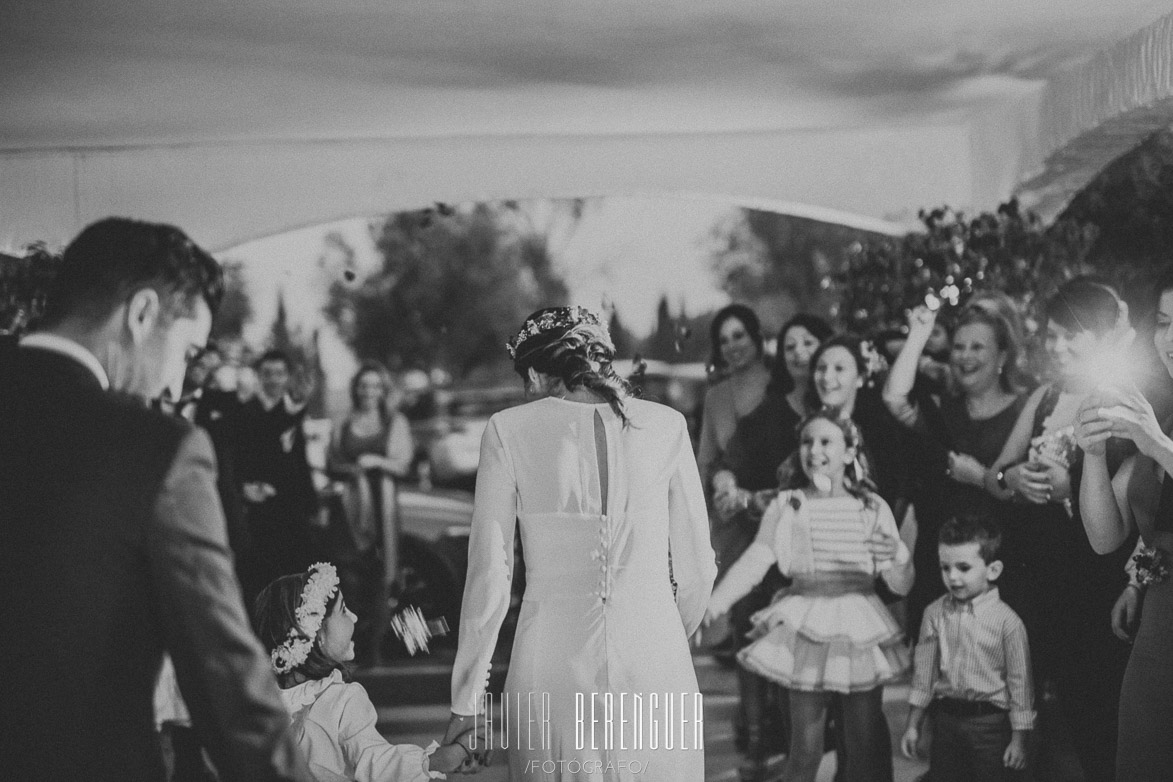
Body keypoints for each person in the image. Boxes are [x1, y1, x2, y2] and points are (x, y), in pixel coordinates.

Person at [0, 217, 309, 781]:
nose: (175, 386)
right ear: (141, 315)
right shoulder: (156, 450)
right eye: (187, 351)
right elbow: (224, 678)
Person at [444, 306, 717, 781]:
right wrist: (667, 632)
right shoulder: (668, 425)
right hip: (655, 654)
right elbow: (698, 568)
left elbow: (490, 573)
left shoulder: (508, 431)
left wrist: (467, 701)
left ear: (534, 372)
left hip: (550, 660)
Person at [705, 411, 913, 782]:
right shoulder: (788, 505)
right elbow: (757, 559)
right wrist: (715, 603)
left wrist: (897, 555)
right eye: (807, 441)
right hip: (805, 626)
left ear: (850, 452)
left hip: (858, 627)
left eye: (826, 441)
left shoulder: (871, 507)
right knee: (804, 751)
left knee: (863, 748)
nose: (814, 449)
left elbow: (900, 584)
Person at [984, 277, 1136, 782]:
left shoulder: (1122, 399)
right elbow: (996, 474)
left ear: (1101, 337)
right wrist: (1016, 479)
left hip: (1095, 577)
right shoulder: (1044, 398)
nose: (1058, 346)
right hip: (1037, 573)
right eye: (1051, 335)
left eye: (1073, 335)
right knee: (1031, 704)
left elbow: (1131, 503)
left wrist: (1068, 488)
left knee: (1093, 708)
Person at [706, 314, 833, 780]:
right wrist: (730, 487)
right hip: (772, 539)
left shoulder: (838, 399)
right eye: (793, 344)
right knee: (773, 645)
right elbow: (726, 461)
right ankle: (768, 743)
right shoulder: (771, 409)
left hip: (835, 554)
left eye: (809, 344)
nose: (801, 353)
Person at [1074, 265, 1173, 781]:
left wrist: (1155, 441)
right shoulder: (1164, 412)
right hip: (1161, 631)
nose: (1170, 339)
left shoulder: (1159, 429)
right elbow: (1104, 536)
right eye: (1163, 321)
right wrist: (1093, 454)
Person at [883, 296, 1028, 634]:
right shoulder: (942, 408)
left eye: (977, 347)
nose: (965, 356)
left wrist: (980, 478)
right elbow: (894, 399)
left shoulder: (1025, 409)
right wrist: (918, 336)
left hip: (1006, 564)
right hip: (943, 566)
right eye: (959, 347)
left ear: (1003, 356)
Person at [255, 562, 470, 781]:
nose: (354, 617)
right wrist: (435, 761)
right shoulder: (341, 700)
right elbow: (375, 761)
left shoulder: (256, 701)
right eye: (343, 611)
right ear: (316, 634)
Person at [900, 515, 1034, 782]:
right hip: (946, 720)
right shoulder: (933, 614)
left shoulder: (1007, 622)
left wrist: (1019, 739)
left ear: (992, 570)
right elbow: (924, 676)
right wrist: (913, 725)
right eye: (945, 567)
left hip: (991, 726)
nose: (952, 577)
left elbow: (1021, 684)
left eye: (963, 567)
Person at [327, 361, 415, 664]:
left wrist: (375, 462)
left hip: (382, 507)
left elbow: (403, 464)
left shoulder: (395, 422)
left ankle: (374, 651)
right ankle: (348, 650)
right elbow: (331, 463)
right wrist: (352, 470)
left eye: (375, 386)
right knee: (348, 578)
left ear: (383, 390)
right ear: (355, 389)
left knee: (380, 576)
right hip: (349, 508)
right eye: (364, 385)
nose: (369, 392)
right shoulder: (342, 422)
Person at [237, 348, 320, 610]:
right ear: (259, 376)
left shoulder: (294, 411)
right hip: (259, 508)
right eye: (267, 373)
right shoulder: (246, 412)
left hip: (291, 508)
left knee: (295, 578)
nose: (274, 380)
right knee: (261, 578)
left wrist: (311, 503)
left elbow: (299, 461)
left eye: (280, 373)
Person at [697, 303, 772, 489]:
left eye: (738, 336)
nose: (732, 346)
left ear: (756, 336)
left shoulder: (781, 384)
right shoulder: (715, 397)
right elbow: (706, 463)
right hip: (733, 505)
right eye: (724, 341)